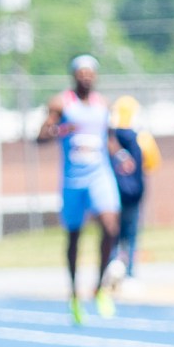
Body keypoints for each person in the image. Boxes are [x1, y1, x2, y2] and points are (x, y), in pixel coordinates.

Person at [37, 55, 124, 325]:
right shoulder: (62, 103)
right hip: (73, 179)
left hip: (100, 175)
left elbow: (108, 139)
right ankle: (74, 294)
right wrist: (61, 128)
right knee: (74, 237)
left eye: (90, 73)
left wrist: (120, 155)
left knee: (111, 227)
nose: (86, 77)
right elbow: (40, 136)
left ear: (95, 76)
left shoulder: (103, 105)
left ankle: (99, 288)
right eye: (81, 73)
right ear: (74, 76)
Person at [109, 95, 161, 278]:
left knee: (112, 234)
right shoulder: (142, 137)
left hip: (112, 193)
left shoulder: (110, 137)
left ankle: (110, 270)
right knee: (131, 235)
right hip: (134, 193)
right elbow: (153, 163)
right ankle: (130, 274)